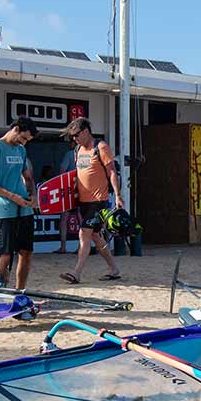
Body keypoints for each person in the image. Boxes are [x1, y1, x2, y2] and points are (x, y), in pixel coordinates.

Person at [61, 116, 123, 284]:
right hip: (83, 201)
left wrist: (117, 195)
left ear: (86, 131)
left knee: (84, 233)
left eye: (76, 135)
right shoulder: (77, 151)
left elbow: (112, 173)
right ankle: (114, 269)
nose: (74, 139)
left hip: (98, 200)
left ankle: (76, 272)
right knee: (96, 236)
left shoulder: (101, 147)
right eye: (72, 136)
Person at [0, 118, 37, 290]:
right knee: (6, 254)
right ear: (16, 129)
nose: (24, 142)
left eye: (27, 141)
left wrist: (33, 194)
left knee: (26, 252)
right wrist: (12, 197)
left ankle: (20, 291)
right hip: (4, 209)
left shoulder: (21, 150)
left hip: (24, 209)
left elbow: (28, 177)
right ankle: (1, 289)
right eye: (24, 138)